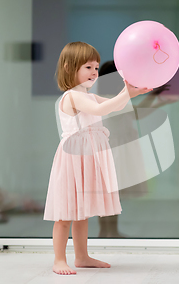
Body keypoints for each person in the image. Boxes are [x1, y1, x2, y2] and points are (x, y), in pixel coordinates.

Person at [43, 42, 152, 275]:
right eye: (88, 67)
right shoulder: (72, 97)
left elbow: (116, 106)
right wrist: (126, 92)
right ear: (68, 67)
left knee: (82, 213)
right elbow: (105, 110)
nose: (94, 72)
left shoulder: (89, 96)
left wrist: (130, 93)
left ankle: (82, 257)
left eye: (95, 67)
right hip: (74, 158)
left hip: (88, 157)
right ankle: (59, 259)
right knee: (65, 214)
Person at [96, 61, 174, 238]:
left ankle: (110, 231)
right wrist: (155, 97)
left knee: (113, 194)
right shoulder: (108, 98)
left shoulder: (113, 96)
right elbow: (136, 114)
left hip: (118, 147)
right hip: (114, 148)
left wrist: (155, 98)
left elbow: (135, 114)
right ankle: (106, 232)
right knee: (110, 193)